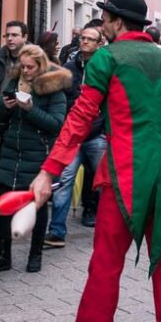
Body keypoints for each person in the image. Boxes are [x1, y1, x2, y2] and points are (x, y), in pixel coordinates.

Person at [30, 0, 161, 322]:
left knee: (106, 265)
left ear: (117, 21)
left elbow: (80, 117)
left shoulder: (107, 58)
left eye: (105, 17)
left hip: (124, 169)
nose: (101, 23)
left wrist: (50, 170)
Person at [0, 44, 70, 274]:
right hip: (10, 152)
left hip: (37, 156)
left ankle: (35, 255)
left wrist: (30, 109)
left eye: (30, 67)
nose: (26, 71)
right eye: (22, 66)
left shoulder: (53, 89)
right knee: (4, 206)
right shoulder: (14, 82)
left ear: (40, 66)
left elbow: (56, 125)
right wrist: (6, 106)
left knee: (36, 206)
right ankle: (3, 255)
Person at [45, 26, 106, 247]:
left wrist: (103, 125)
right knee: (63, 181)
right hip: (73, 135)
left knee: (105, 180)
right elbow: (62, 100)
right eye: (83, 38)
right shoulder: (69, 68)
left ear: (99, 43)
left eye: (91, 39)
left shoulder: (105, 67)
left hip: (97, 134)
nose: (85, 42)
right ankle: (57, 231)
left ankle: (107, 224)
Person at [0, 20, 28, 208]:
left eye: (14, 35)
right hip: (0, 114)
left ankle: (20, 205)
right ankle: (2, 206)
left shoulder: (34, 57)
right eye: (7, 35)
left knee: (21, 165)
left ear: (25, 37)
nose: (9, 38)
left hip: (23, 115)